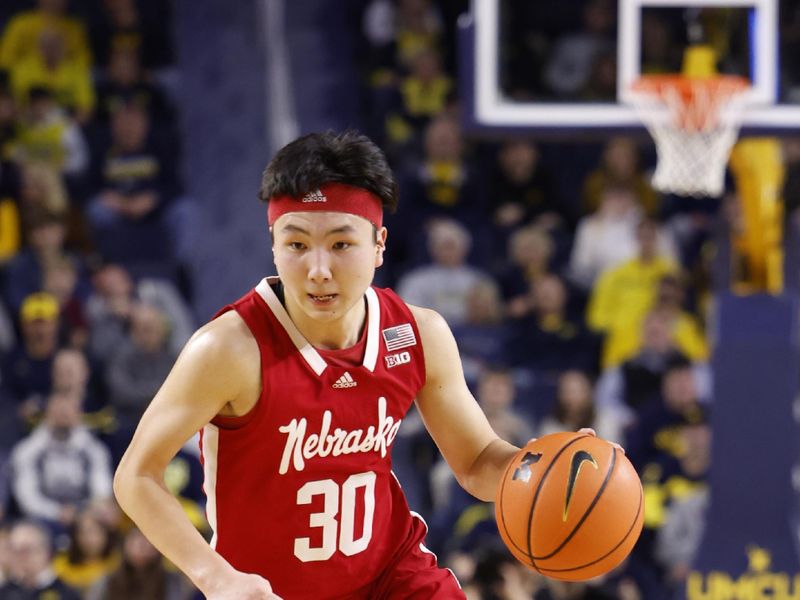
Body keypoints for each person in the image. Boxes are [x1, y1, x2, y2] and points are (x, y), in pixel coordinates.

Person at [113, 131, 577, 599]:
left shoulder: (419, 334)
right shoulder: (229, 347)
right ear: (273, 245)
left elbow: (477, 462)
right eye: (296, 245)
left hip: (393, 577)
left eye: (340, 245)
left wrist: (536, 472)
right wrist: (216, 578)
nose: (318, 269)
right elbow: (136, 475)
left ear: (379, 244)